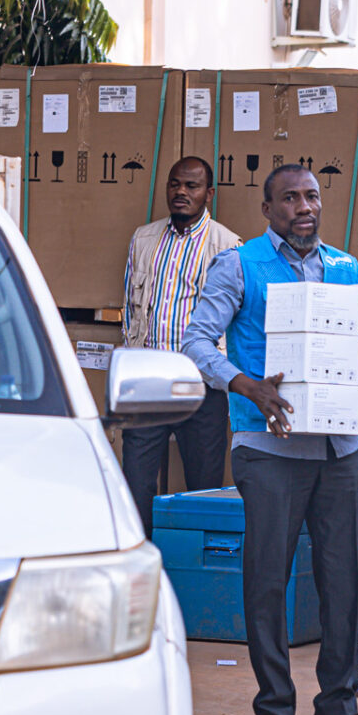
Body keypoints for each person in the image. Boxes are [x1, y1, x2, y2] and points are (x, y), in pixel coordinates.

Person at [182, 164, 358, 715]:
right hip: (267, 449)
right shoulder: (238, 264)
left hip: (338, 448)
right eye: (289, 198)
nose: (304, 207)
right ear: (267, 209)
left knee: (343, 579)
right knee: (268, 580)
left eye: (312, 196)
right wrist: (245, 385)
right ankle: (274, 711)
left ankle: (338, 703)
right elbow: (195, 341)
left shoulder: (348, 270)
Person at [119, 156, 242, 533]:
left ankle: (193, 572)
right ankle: (141, 560)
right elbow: (130, 308)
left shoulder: (228, 245)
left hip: (201, 384)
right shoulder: (144, 237)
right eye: (175, 184)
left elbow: (234, 319)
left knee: (202, 487)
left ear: (209, 194)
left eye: (192, 186)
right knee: (136, 483)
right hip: (149, 381)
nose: (181, 193)